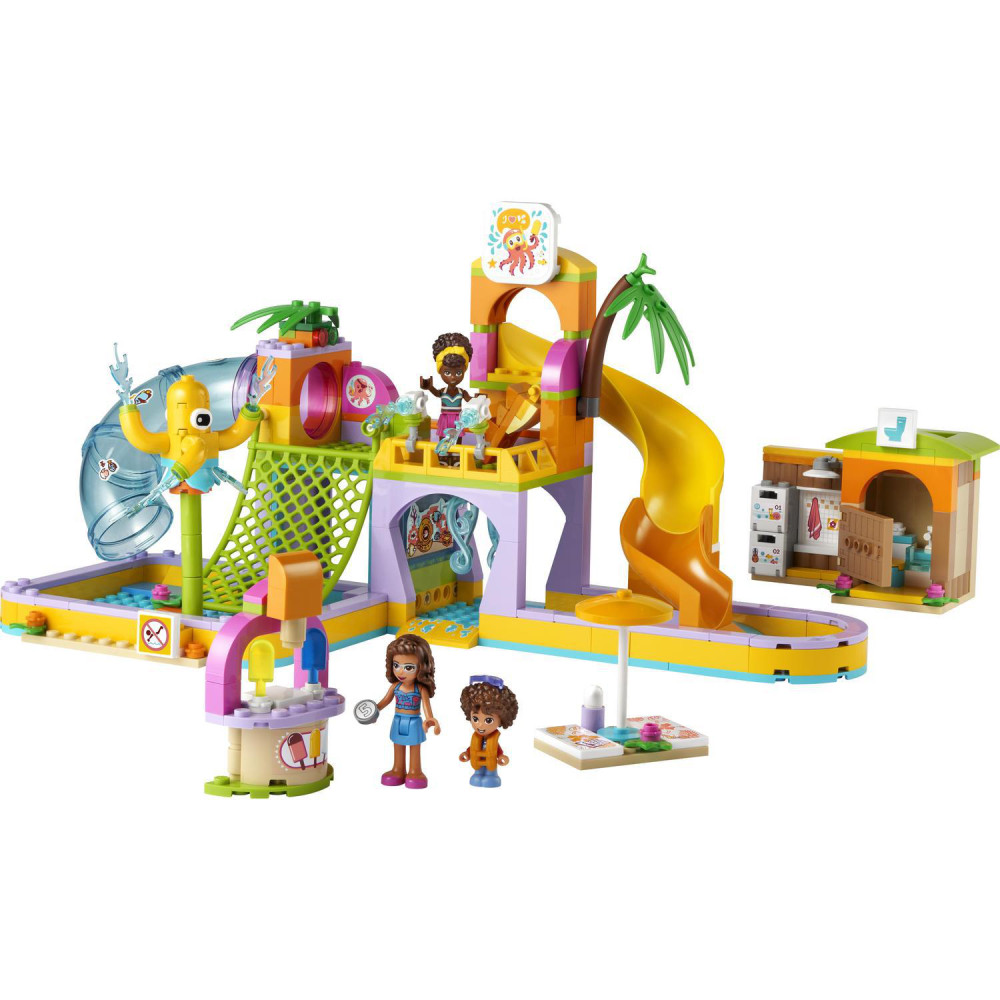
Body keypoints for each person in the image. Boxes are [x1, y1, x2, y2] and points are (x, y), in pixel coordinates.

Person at [372, 633, 440, 789]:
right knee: (397, 744)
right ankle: (398, 769)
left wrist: (430, 719)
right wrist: (373, 711)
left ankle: (415, 771)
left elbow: (427, 707)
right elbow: (384, 701)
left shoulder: (420, 688)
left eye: (408, 667)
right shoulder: (395, 686)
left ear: (422, 668)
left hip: (414, 721)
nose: (400, 672)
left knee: (414, 746)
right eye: (396, 665)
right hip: (397, 720)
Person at [419, 332, 473, 466]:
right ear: (441, 372)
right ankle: (443, 456)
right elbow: (436, 393)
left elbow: (470, 400)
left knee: (457, 438)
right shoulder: (443, 391)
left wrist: (478, 399)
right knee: (443, 436)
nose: (453, 377)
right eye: (447, 372)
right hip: (445, 418)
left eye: (458, 373)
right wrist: (429, 387)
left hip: (457, 419)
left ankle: (456, 457)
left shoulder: (461, 392)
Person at [458, 675, 518, 788]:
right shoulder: (476, 738)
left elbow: (498, 750)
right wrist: (466, 753)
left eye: (488, 720)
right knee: (477, 773)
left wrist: (501, 757)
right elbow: (472, 748)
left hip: (491, 763)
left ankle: (491, 776)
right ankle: (478, 774)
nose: (480, 725)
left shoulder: (493, 740)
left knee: (491, 772)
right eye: (475, 719)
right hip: (477, 762)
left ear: (502, 720)